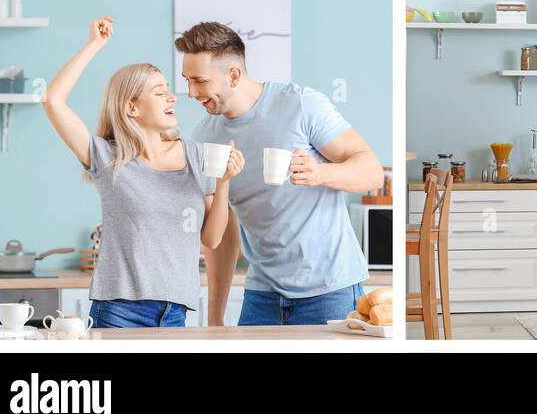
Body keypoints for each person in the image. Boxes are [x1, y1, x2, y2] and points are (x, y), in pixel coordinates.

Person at [42, 17, 243, 330]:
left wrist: (224, 182)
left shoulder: (196, 155)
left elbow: (212, 238)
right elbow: (52, 100)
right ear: (131, 107)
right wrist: (94, 44)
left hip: (176, 312)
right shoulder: (108, 157)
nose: (173, 97)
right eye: (160, 92)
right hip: (118, 312)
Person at [178, 21, 382, 326]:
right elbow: (222, 233)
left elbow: (372, 172)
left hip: (329, 290)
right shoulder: (204, 137)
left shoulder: (300, 104)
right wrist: (215, 317)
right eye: (187, 80)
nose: (191, 92)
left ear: (233, 75)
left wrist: (320, 173)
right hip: (262, 296)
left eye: (200, 81)